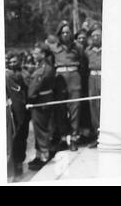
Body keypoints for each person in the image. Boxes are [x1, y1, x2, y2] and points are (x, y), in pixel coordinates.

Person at [52, 20, 84, 151]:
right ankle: (64, 138)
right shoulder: (54, 48)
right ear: (59, 34)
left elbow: (83, 64)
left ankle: (74, 138)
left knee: (75, 109)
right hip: (60, 81)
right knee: (60, 110)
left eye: (68, 32)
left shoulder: (78, 47)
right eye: (63, 33)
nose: (66, 35)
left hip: (74, 79)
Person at [27, 42, 56, 170]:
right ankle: (39, 156)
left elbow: (33, 90)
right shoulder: (44, 66)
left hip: (39, 102)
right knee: (40, 130)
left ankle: (44, 157)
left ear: (43, 54)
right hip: (43, 100)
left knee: (41, 131)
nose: (33, 54)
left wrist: (29, 100)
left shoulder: (42, 69)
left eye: (36, 52)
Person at [6, 53, 30, 176]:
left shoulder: (25, 74)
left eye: (15, 62)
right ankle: (13, 165)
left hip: (24, 110)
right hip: (13, 111)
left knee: (22, 137)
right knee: (13, 138)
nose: (12, 64)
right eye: (11, 62)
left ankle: (19, 163)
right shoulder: (7, 75)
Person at [84, 28, 103, 148]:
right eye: (93, 35)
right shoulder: (87, 51)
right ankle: (98, 136)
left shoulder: (108, 48)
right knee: (94, 106)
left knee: (104, 106)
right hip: (92, 78)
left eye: (98, 35)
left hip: (104, 78)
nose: (95, 37)